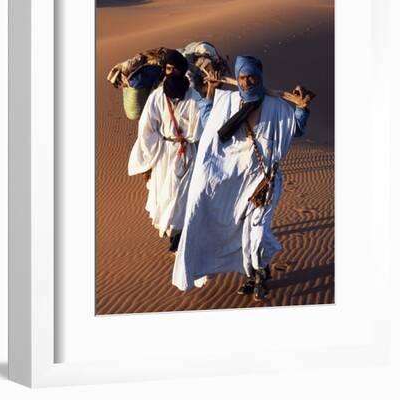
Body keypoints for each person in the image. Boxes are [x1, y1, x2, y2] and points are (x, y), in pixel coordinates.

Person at [172, 55, 311, 300]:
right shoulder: (227, 101)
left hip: (263, 182)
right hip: (233, 183)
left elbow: (295, 128)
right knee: (241, 232)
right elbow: (208, 125)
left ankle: (258, 276)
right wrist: (210, 95)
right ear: (237, 78)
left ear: (260, 76)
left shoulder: (276, 105)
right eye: (243, 77)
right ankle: (253, 274)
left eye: (252, 77)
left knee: (257, 232)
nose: (247, 82)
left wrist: (301, 107)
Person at [128, 49, 203, 252]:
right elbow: (146, 128)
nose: (171, 73)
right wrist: (150, 157)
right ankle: (174, 233)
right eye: (168, 69)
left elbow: (200, 128)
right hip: (164, 154)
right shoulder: (157, 97)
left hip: (187, 153)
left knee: (182, 195)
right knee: (164, 195)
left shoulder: (194, 97)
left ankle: (179, 235)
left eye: (175, 69)